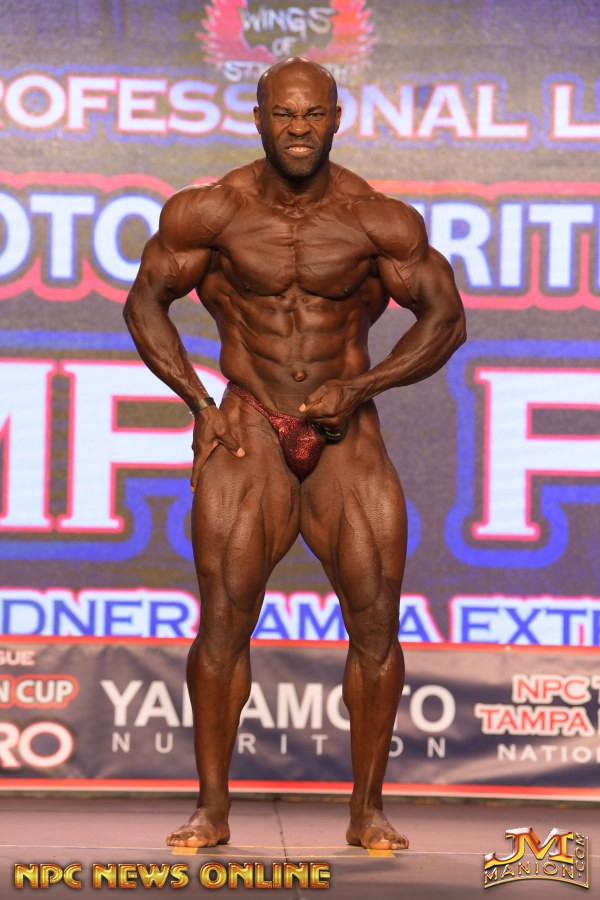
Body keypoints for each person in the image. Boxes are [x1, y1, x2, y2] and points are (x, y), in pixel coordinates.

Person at [124, 57, 466, 851]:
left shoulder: (378, 220)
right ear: (259, 118)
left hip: (347, 431)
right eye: (284, 114)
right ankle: (212, 809)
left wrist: (364, 384)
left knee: (376, 620)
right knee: (224, 617)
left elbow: (445, 318)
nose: (299, 129)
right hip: (249, 422)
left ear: (337, 118)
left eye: (314, 115)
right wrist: (199, 402)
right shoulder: (211, 212)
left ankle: (367, 811)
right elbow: (145, 302)